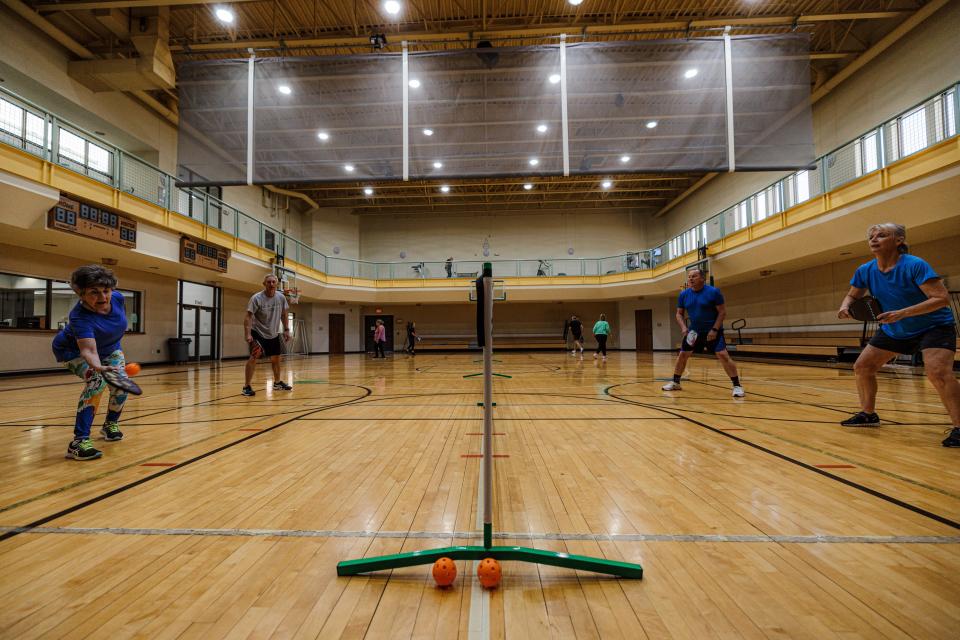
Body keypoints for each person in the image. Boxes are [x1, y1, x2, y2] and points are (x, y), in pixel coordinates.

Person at [837, 223, 959, 447]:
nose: (874, 239)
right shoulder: (865, 270)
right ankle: (868, 415)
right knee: (863, 367)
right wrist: (846, 306)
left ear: (899, 240)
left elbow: (941, 298)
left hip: (933, 326)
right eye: (871, 236)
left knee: (938, 372)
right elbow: (852, 295)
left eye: (882, 235)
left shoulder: (915, 265)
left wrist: (903, 313)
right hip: (895, 330)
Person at [52, 265, 130, 460]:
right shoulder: (79, 317)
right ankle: (79, 442)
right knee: (97, 380)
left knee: (122, 385)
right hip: (72, 351)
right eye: (94, 292)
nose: (103, 297)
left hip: (111, 348)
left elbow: (114, 325)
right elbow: (88, 350)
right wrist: (99, 367)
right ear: (81, 294)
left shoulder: (118, 298)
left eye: (106, 291)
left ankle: (110, 425)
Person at [662, 268, 745, 397]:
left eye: (694, 276)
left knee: (723, 355)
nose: (690, 279)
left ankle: (737, 386)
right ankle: (676, 382)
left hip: (712, 332)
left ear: (702, 278)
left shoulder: (714, 292)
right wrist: (684, 327)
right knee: (682, 355)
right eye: (689, 276)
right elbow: (679, 314)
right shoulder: (684, 294)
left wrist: (715, 329)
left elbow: (722, 312)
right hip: (693, 333)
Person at [242, 274, 292, 396]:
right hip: (258, 332)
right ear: (264, 284)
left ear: (277, 284)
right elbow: (248, 317)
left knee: (276, 358)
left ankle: (277, 383)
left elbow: (284, 314)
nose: (271, 284)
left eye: (273, 282)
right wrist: (247, 334)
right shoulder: (256, 298)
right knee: (254, 357)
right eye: (268, 282)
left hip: (273, 333)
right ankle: (246, 386)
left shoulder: (281, 298)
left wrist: (286, 329)